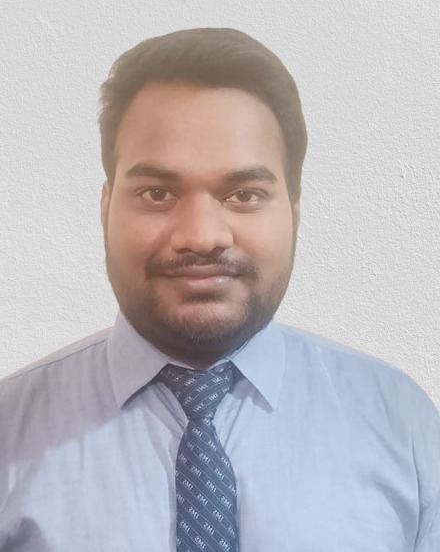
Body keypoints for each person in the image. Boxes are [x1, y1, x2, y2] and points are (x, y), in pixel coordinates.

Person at [0, 28, 439, 552]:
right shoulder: (9, 430)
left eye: (244, 194)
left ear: (294, 211)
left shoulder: (402, 424)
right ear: (106, 207)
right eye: (157, 193)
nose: (202, 235)